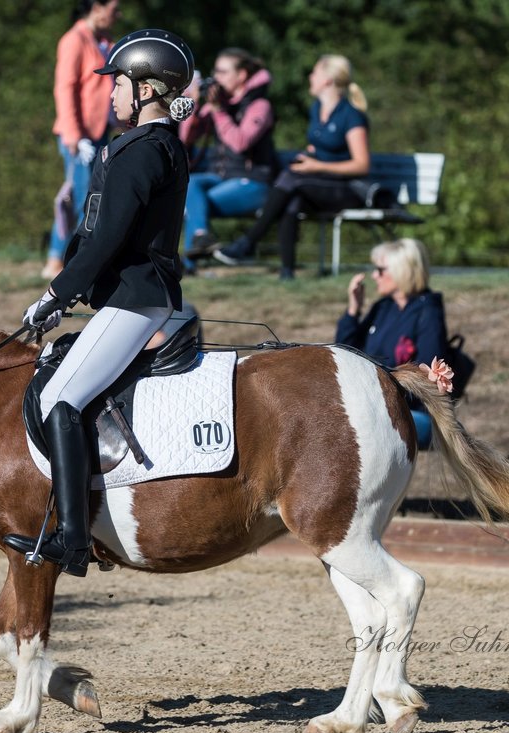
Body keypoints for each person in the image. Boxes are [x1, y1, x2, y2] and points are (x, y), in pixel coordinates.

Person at [5, 29, 196, 577]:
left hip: (137, 299)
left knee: (60, 400)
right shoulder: (159, 145)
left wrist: (54, 296)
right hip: (140, 297)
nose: (109, 94)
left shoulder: (140, 151)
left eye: (117, 84)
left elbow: (108, 238)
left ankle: (74, 540)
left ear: (145, 89)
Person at [214, 54, 370, 280]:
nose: (310, 76)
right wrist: (310, 157)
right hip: (319, 184)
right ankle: (287, 272)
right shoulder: (317, 109)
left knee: (291, 180)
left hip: (346, 190)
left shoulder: (352, 116)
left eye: (315, 72)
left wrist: (317, 165)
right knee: (292, 197)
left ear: (327, 80)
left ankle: (249, 242)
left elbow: (362, 165)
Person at [335, 238, 447, 450]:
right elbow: (344, 353)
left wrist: (378, 397)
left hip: (413, 411)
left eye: (380, 269)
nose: (374, 275)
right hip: (371, 406)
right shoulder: (383, 307)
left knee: (352, 425)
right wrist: (353, 310)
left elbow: (426, 380)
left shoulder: (428, 312)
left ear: (401, 270)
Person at [43, 0, 122, 282]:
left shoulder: (102, 42)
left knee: (90, 197)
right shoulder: (74, 40)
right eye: (114, 9)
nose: (118, 15)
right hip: (79, 135)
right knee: (79, 198)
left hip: (99, 132)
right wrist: (74, 135)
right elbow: (65, 88)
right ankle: (60, 259)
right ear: (97, 8)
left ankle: (67, 258)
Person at [179, 47, 278, 269]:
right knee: (189, 184)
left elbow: (240, 142)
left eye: (223, 72)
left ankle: (189, 263)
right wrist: (194, 106)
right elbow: (186, 138)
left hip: (253, 183)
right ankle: (201, 238)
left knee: (194, 202)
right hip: (222, 178)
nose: (217, 78)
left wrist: (217, 110)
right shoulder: (220, 104)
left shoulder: (260, 106)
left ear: (241, 75)